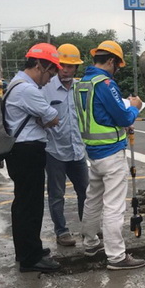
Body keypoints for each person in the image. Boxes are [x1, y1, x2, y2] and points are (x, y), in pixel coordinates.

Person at [74, 40, 145, 270]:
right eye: (118, 65)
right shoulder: (105, 84)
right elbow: (124, 117)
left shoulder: (82, 84)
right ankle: (116, 256)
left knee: (92, 200)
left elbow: (100, 117)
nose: (117, 70)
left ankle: (91, 243)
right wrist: (134, 106)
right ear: (112, 61)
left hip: (93, 153)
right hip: (111, 153)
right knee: (114, 206)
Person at [5, 43, 62, 273]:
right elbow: (53, 117)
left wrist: (42, 118)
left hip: (20, 151)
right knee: (31, 204)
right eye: (50, 73)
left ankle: (27, 250)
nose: (49, 80)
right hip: (28, 151)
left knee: (23, 203)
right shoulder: (27, 90)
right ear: (40, 65)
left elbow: (45, 117)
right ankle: (31, 258)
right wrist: (45, 118)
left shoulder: (15, 84)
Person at [42, 44, 89, 247]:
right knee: (56, 195)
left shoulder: (80, 88)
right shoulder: (46, 88)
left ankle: (88, 230)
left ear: (76, 68)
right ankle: (62, 232)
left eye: (71, 66)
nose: (66, 70)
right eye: (62, 65)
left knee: (85, 192)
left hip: (77, 150)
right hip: (54, 151)